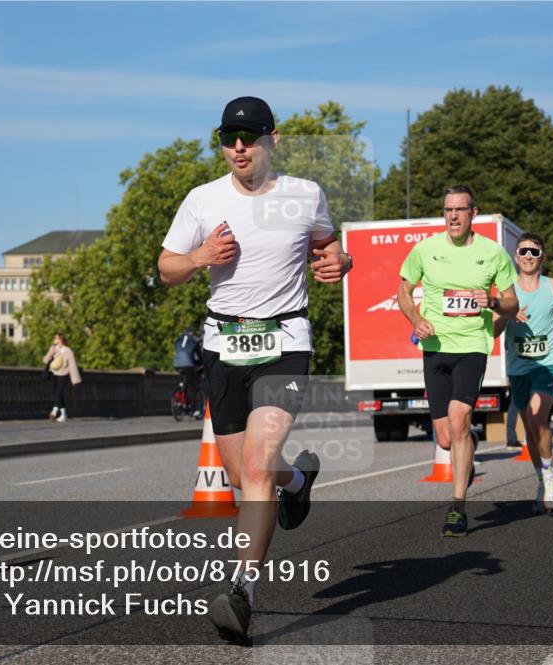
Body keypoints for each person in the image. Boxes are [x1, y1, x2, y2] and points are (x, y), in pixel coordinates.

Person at [158, 96, 351, 644]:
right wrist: (199, 259)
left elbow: (329, 248)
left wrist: (341, 262)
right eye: (228, 137)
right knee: (248, 478)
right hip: (223, 345)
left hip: (285, 340)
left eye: (248, 136)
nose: (238, 147)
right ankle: (299, 480)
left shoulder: (304, 195)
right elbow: (167, 265)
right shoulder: (201, 200)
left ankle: (244, 593)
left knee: (259, 466)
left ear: (272, 139)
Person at [398, 184, 518, 537]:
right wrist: (416, 321)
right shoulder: (426, 250)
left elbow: (511, 304)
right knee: (447, 438)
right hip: (435, 348)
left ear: (472, 213)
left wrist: (493, 302)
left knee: (459, 416)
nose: (453, 215)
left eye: (460, 210)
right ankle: (468, 442)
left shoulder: (493, 254)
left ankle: (457, 506)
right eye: (448, 209)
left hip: (472, 347)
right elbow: (403, 291)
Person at [492, 233, 553, 515]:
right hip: (519, 368)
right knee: (530, 427)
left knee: (536, 414)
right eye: (523, 251)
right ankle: (542, 478)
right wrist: (506, 313)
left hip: (550, 363)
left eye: (534, 251)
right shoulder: (508, 293)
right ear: (515, 257)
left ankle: (550, 471)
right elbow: (492, 332)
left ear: (542, 257)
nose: (528, 256)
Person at [42, 333, 81, 422]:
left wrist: (75, 379)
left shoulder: (68, 351)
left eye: (56, 338)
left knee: (59, 392)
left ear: (61, 339)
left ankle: (54, 411)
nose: (54, 339)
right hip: (53, 373)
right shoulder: (52, 348)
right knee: (57, 393)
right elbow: (45, 361)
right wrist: (50, 354)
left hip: (64, 374)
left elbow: (72, 365)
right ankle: (64, 414)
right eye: (54, 337)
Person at [174, 328, 203, 417]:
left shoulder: (178, 339)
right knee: (192, 387)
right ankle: (194, 410)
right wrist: (200, 362)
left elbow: (181, 352)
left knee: (185, 380)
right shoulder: (194, 340)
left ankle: (180, 391)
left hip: (176, 363)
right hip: (188, 365)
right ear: (192, 333)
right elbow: (199, 356)